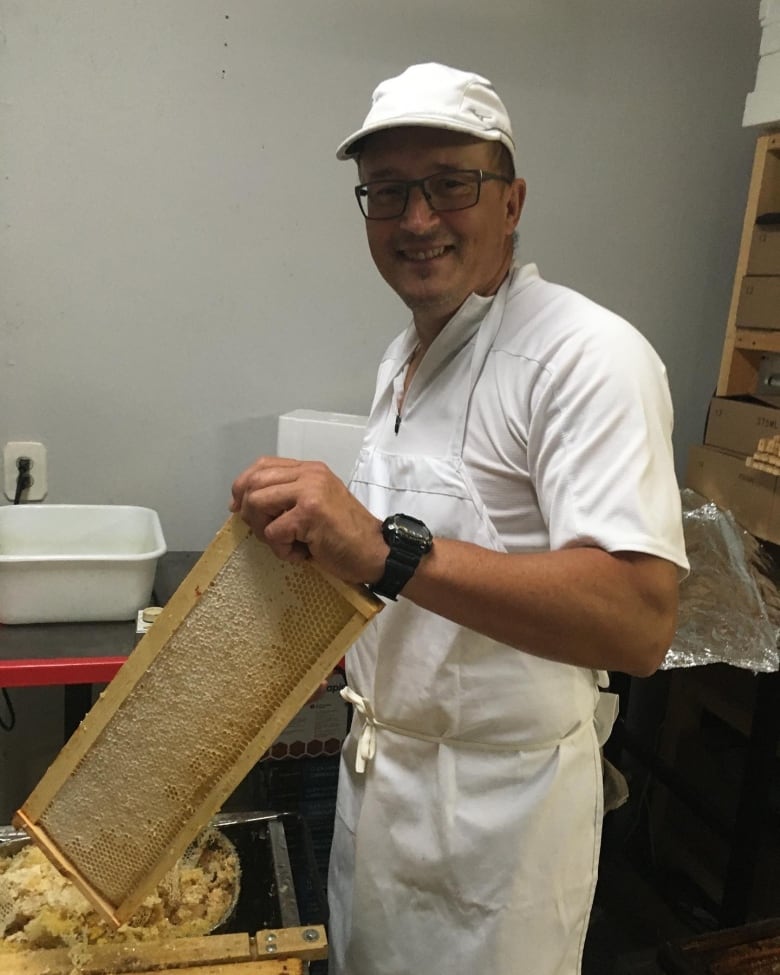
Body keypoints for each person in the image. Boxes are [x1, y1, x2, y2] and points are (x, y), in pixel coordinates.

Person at [230, 62, 688, 975]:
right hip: (379, 790)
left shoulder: (587, 356)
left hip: (498, 823)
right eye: (389, 191)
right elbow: (408, 578)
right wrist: (311, 574)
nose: (417, 219)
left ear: (512, 200)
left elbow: (640, 621)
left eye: (450, 182)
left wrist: (383, 547)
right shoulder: (404, 357)